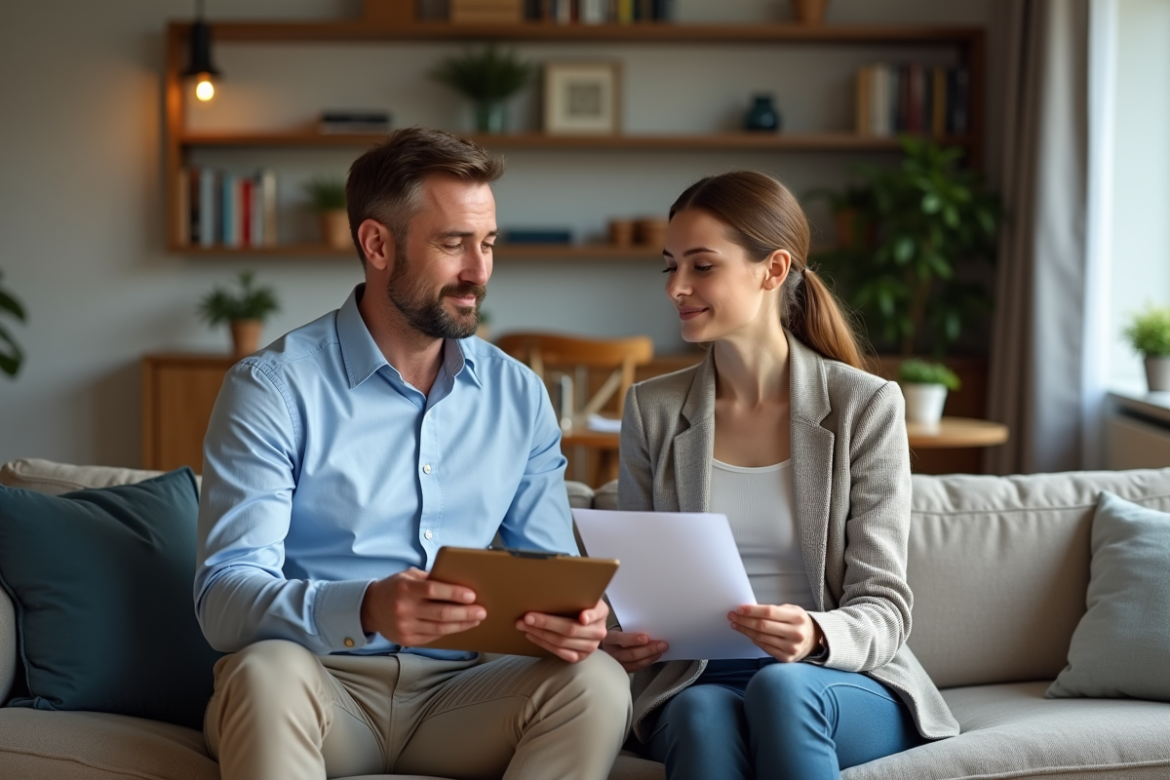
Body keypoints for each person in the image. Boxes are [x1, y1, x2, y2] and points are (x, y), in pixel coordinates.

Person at [195, 127, 631, 780]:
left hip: (462, 700)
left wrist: (574, 621)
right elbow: (224, 602)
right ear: (377, 244)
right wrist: (366, 607)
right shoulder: (272, 388)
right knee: (265, 672)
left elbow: (551, 576)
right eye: (453, 244)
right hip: (317, 685)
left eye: (488, 243)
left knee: (595, 682)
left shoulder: (517, 394)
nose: (479, 272)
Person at [602, 171, 960, 780]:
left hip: (834, 675)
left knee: (782, 687)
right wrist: (619, 633)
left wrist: (816, 633)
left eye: (702, 266)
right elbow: (633, 587)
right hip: (697, 677)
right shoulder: (651, 410)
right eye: (670, 266)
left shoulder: (864, 406)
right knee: (698, 714)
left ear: (772, 270)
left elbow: (884, 605)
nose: (676, 287)